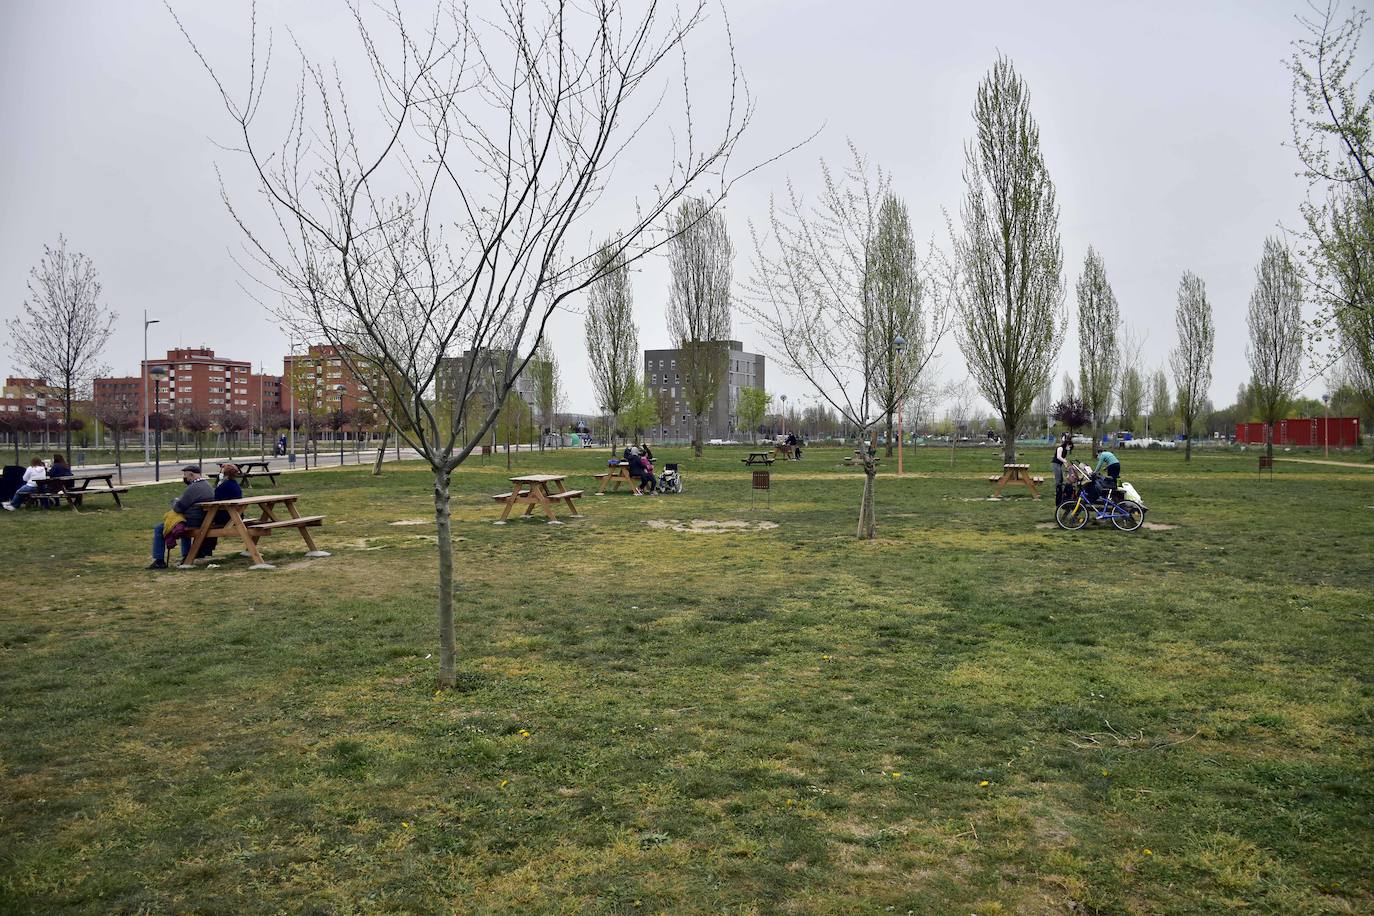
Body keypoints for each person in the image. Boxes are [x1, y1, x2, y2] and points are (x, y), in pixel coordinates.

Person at [148, 466, 214, 569]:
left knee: (160, 528)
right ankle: (186, 554)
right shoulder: (207, 485)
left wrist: (174, 502)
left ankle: (159, 560)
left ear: (191, 475)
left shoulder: (193, 488)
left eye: (185, 475)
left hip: (193, 521)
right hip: (204, 519)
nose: (184, 478)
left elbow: (179, 508)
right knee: (181, 525)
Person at [196, 463, 244, 560]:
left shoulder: (223, 486)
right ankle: (206, 550)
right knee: (209, 522)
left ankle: (201, 551)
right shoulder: (234, 485)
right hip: (236, 515)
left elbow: (215, 501)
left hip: (227, 516)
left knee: (205, 523)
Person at [1051, 433, 1074, 506]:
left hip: (1059, 465)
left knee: (1061, 479)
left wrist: (1067, 465)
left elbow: (1063, 459)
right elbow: (1059, 457)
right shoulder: (1060, 448)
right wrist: (1065, 461)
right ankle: (1058, 494)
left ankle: (1061, 494)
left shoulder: (1065, 451)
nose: (1069, 448)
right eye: (1069, 446)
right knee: (1058, 480)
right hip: (1055, 464)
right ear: (1067, 444)